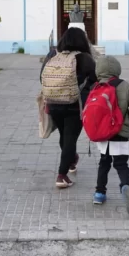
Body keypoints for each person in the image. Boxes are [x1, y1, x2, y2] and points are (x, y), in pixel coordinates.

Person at [40, 27, 96, 188]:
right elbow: (95, 80)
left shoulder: (52, 55)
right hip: (74, 105)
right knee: (70, 138)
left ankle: (71, 161)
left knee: (65, 136)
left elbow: (41, 77)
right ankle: (61, 175)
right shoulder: (84, 58)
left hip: (53, 103)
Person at [90, 56, 129, 213]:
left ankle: (99, 193)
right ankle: (125, 186)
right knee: (121, 164)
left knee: (104, 163)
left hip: (104, 132)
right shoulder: (124, 85)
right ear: (117, 69)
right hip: (120, 132)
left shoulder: (96, 86)